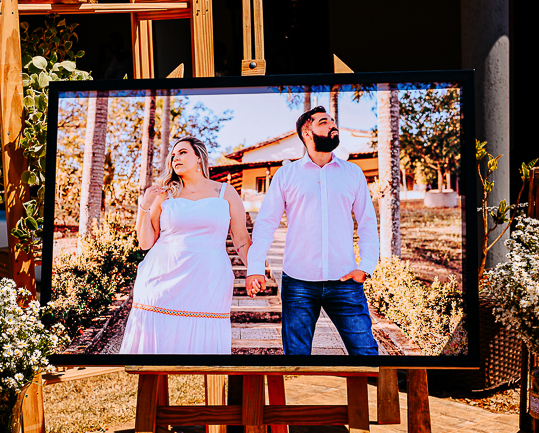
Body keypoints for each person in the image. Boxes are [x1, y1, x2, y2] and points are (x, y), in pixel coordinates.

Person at [245, 107, 380, 356]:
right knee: (296, 360)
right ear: (307, 133)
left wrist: (367, 266)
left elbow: (367, 222)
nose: (332, 124)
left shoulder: (353, 173)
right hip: (298, 284)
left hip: (346, 281)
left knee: (367, 355)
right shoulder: (286, 175)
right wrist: (255, 268)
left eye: (332, 120)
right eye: (323, 121)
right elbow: (265, 223)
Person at [119, 136, 251, 354]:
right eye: (173, 155)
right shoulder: (164, 194)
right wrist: (144, 205)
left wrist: (254, 271)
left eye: (182, 152)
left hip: (209, 282)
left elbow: (242, 240)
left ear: (199, 158)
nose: (175, 158)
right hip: (161, 282)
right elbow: (145, 243)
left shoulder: (226, 193)